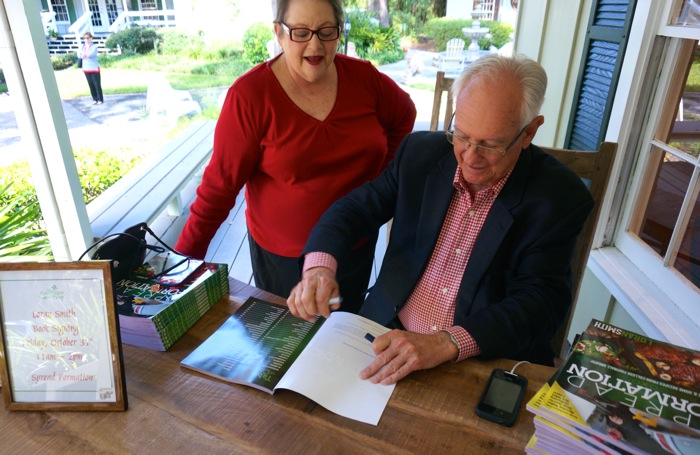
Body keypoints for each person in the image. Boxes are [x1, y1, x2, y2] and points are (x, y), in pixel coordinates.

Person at [287, 53, 594, 385]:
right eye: (461, 135)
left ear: (529, 132)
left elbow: (540, 302)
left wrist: (448, 342)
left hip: (479, 360)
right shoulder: (419, 154)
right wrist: (319, 266)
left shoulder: (559, 198)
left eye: (491, 145)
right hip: (384, 330)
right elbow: (356, 210)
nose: (470, 158)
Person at [175, 0, 416, 314]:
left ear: (339, 32)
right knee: (285, 349)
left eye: (327, 32)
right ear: (279, 32)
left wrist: (381, 180)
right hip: (283, 261)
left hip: (354, 244)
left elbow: (404, 115)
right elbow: (217, 191)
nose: (315, 45)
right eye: (300, 32)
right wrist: (179, 269)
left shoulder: (365, 79)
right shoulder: (250, 97)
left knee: (341, 335)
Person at [80, 32, 103, 105]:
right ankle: (94, 99)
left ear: (91, 38)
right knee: (90, 84)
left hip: (94, 68)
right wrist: (84, 55)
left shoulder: (94, 46)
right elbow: (78, 55)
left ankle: (100, 99)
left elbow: (91, 55)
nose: (86, 40)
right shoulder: (82, 46)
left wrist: (84, 54)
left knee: (96, 84)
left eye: (87, 38)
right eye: (84, 38)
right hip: (86, 68)